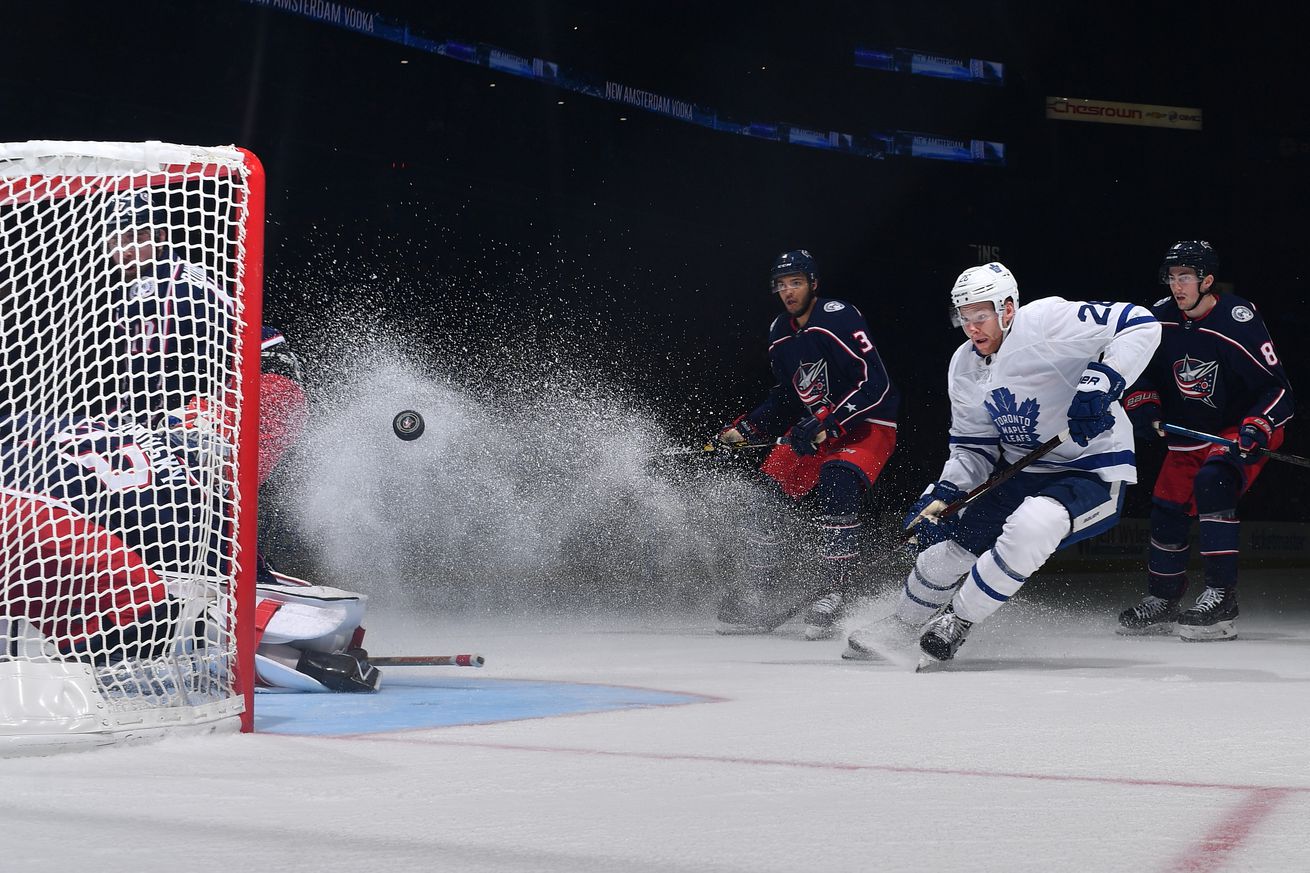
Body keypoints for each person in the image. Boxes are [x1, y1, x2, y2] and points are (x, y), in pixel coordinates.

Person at [843, 262, 1161, 665]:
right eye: (964, 317)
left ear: (1008, 309)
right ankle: (902, 623)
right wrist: (944, 493)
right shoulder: (964, 365)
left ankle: (958, 620)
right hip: (1023, 471)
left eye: (981, 316)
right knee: (946, 552)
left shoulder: (1047, 321)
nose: (972, 328)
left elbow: (1140, 323)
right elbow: (973, 448)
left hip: (1090, 468)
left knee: (1032, 526)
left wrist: (1103, 382)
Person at [716, 249, 899, 639]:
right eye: (782, 284)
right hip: (819, 428)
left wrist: (828, 422)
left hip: (867, 425)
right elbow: (787, 396)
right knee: (764, 495)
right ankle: (760, 594)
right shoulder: (779, 331)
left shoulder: (837, 316)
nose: (788, 291)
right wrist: (745, 428)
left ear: (814, 284)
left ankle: (837, 591)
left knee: (837, 481)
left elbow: (876, 383)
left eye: (796, 282)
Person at [1117, 241, 1293, 641]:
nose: (1176, 285)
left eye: (1185, 277)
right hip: (1190, 432)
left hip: (1239, 428)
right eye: (1172, 276)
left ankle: (1222, 599)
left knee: (1214, 482)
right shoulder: (1160, 317)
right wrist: (1143, 403)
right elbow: (1138, 372)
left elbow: (1278, 390)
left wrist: (1258, 425)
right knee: (1166, 509)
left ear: (1207, 281)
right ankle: (1163, 599)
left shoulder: (1237, 318)